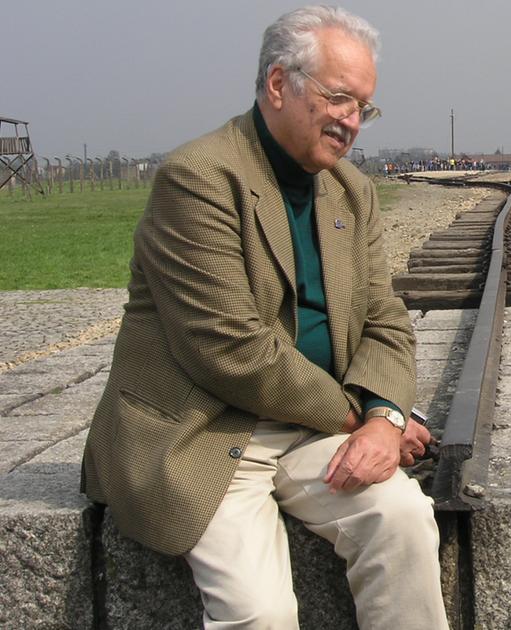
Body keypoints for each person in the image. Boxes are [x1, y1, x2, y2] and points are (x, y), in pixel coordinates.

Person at [80, 7, 447, 629]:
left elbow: (385, 318)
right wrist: (371, 418)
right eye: (338, 99)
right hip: (205, 431)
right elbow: (231, 350)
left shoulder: (350, 191)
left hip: (310, 428)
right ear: (279, 84)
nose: (351, 122)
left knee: (406, 522)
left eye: (363, 107)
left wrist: (386, 419)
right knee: (259, 611)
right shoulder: (198, 179)